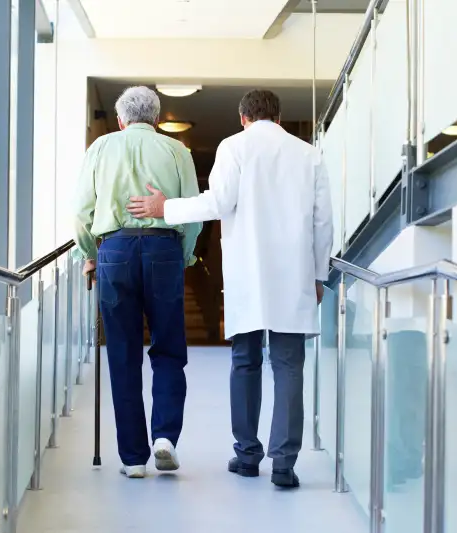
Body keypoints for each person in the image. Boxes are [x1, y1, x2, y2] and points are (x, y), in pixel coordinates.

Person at [127, 89, 333, 488]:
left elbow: (218, 203)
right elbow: (323, 221)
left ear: (243, 117)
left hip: (248, 272)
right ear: (278, 116)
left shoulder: (233, 147)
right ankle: (285, 463)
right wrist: (318, 274)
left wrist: (165, 208)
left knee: (245, 362)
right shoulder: (309, 154)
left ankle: (247, 454)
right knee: (289, 366)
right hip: (294, 274)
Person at [73, 86, 202, 479]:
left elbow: (82, 211)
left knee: (123, 354)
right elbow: (193, 214)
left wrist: (88, 254)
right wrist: (183, 256)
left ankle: (133, 459)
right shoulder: (178, 151)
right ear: (158, 119)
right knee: (167, 347)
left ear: (120, 120)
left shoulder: (99, 149)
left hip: (114, 251)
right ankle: (164, 437)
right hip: (163, 249)